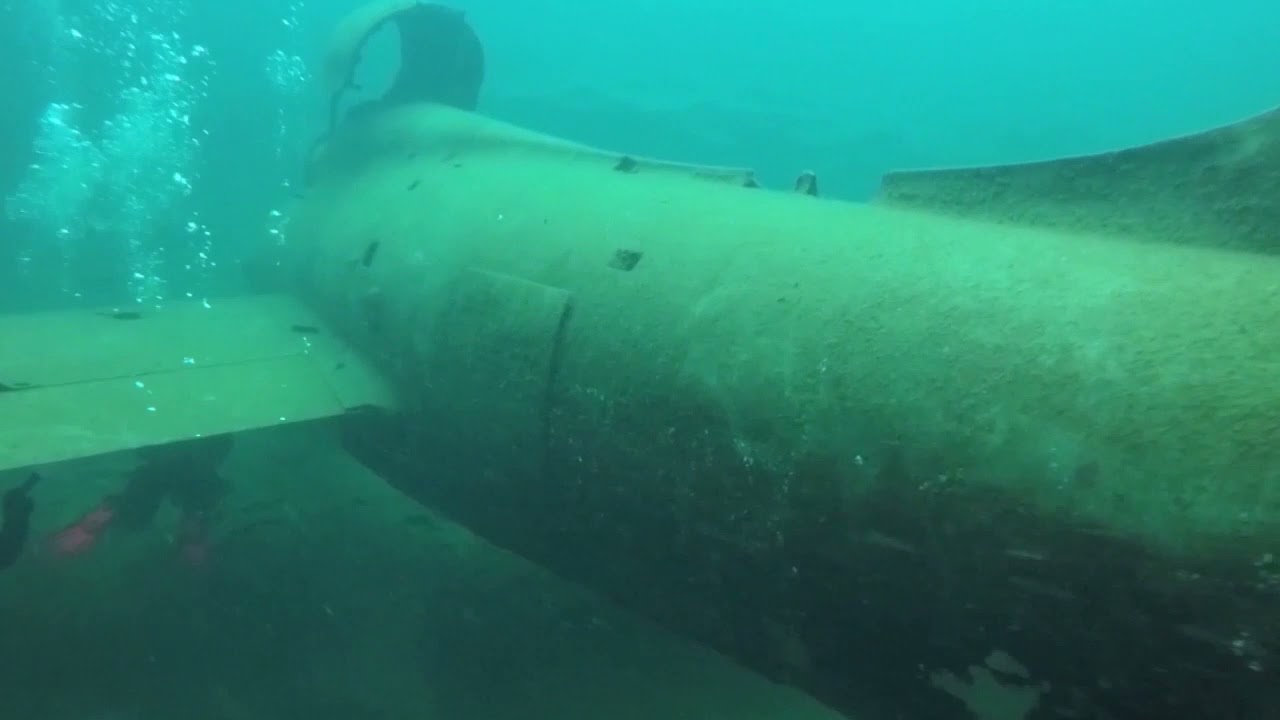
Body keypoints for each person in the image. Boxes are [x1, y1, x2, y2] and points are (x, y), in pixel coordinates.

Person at [49, 434, 233, 566]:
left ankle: (93, 523)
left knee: (158, 493)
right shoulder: (201, 474)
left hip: (167, 461)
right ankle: (93, 523)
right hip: (180, 460)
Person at [0, 474, 38, 571]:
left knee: (12, 497)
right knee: (12, 497)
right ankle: (38, 475)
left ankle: (37, 476)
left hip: (15, 530)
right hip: (15, 529)